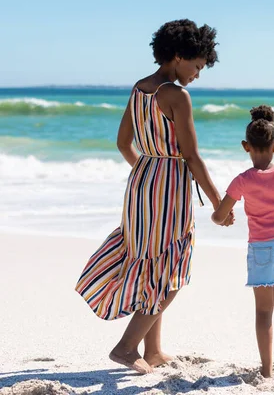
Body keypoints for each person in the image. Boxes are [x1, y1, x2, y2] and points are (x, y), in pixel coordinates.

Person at [75, 19, 233, 374]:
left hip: (141, 183)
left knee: (152, 261)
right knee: (172, 268)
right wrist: (220, 205)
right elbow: (192, 157)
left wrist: (147, 176)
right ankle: (127, 346)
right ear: (178, 57)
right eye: (196, 66)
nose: (197, 75)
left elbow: (122, 144)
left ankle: (154, 349)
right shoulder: (177, 96)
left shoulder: (139, 89)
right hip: (169, 188)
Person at [211, 105, 274, 378]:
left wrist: (225, 218)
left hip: (261, 248)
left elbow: (218, 215)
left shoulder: (242, 181)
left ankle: (266, 369)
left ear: (245, 146)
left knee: (263, 310)